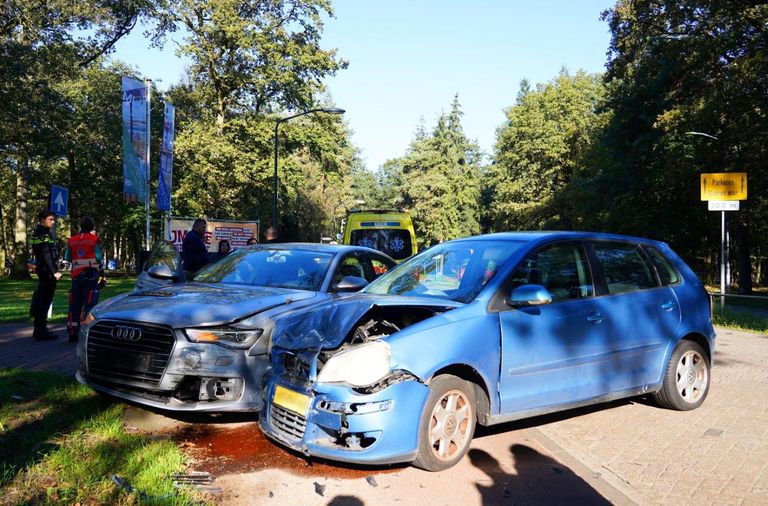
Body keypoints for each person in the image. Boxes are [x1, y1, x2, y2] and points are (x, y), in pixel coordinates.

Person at [63, 216, 103, 343]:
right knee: (89, 303)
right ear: (92, 227)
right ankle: (85, 331)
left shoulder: (72, 240)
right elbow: (98, 257)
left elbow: (68, 257)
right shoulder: (94, 239)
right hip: (90, 275)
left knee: (74, 304)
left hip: (76, 276)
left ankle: (72, 330)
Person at [30, 210, 61, 340]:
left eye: (54, 220)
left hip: (43, 270)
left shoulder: (41, 232)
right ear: (43, 220)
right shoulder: (42, 234)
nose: (53, 222)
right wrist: (54, 271)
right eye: (50, 220)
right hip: (46, 272)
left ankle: (39, 329)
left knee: (42, 298)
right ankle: (41, 331)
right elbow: (46, 254)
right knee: (45, 300)